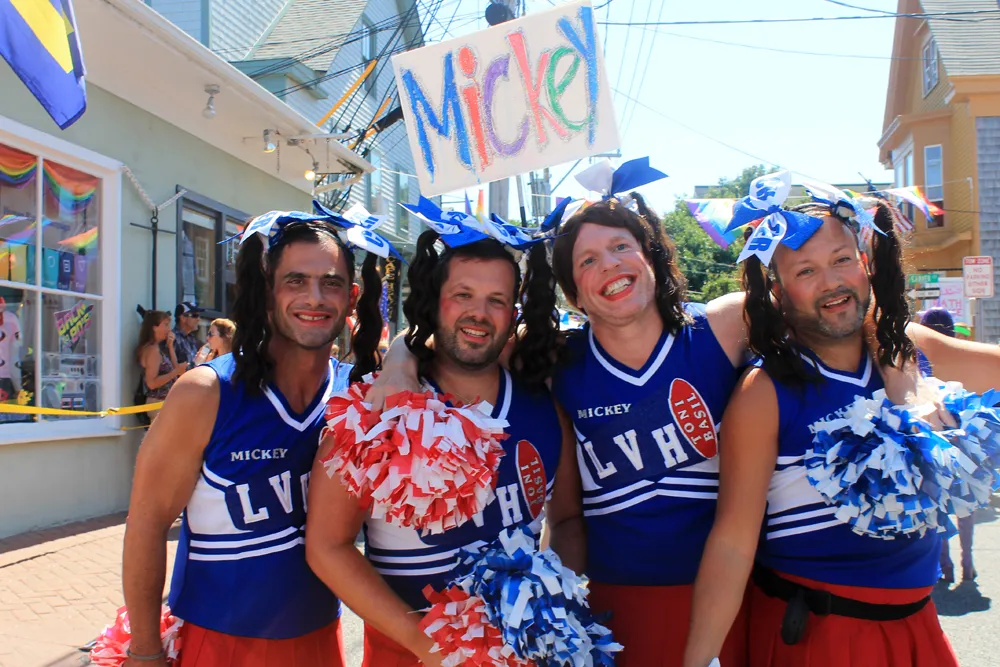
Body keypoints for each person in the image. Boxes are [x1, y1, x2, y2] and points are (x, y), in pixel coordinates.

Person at [375, 163, 752, 667]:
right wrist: (399, 359)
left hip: (725, 595)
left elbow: (822, 307)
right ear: (573, 292)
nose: (610, 266)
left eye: (621, 246)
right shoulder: (556, 356)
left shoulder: (724, 327)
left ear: (651, 254)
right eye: (588, 260)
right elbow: (458, 335)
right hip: (615, 603)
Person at [682, 190, 1000, 667]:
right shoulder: (765, 392)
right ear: (778, 291)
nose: (831, 283)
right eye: (805, 271)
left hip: (918, 627)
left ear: (864, 263)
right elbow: (732, 542)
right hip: (818, 636)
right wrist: (699, 660)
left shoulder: (909, 350)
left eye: (841, 260)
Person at [306, 228, 583, 667]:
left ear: (512, 313)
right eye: (463, 295)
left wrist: (551, 614)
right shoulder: (374, 410)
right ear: (436, 300)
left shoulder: (545, 408)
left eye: (496, 300)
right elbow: (327, 546)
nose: (479, 313)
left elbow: (566, 518)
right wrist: (428, 647)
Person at [121, 212, 385, 667]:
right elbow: (148, 521)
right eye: (296, 281)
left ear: (352, 297)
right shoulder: (207, 391)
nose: (315, 297)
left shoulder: (358, 397)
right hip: (218, 644)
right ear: (268, 291)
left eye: (331, 283)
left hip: (322, 641)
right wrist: (145, 652)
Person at [920, 308, 977, 583]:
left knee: (938, 502)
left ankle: (946, 564)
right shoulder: (962, 355)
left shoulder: (918, 356)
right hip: (968, 435)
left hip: (934, 437)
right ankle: (968, 561)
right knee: (967, 500)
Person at [136, 310, 186, 413]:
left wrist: (170, 347)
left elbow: (176, 369)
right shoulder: (152, 350)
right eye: (166, 325)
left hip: (165, 404)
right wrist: (175, 372)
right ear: (154, 327)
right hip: (158, 404)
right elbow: (151, 383)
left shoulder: (157, 348)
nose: (169, 329)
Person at [172, 301, 204, 368]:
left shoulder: (191, 338)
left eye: (199, 316)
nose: (198, 319)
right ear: (183, 318)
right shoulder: (172, 338)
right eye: (195, 316)